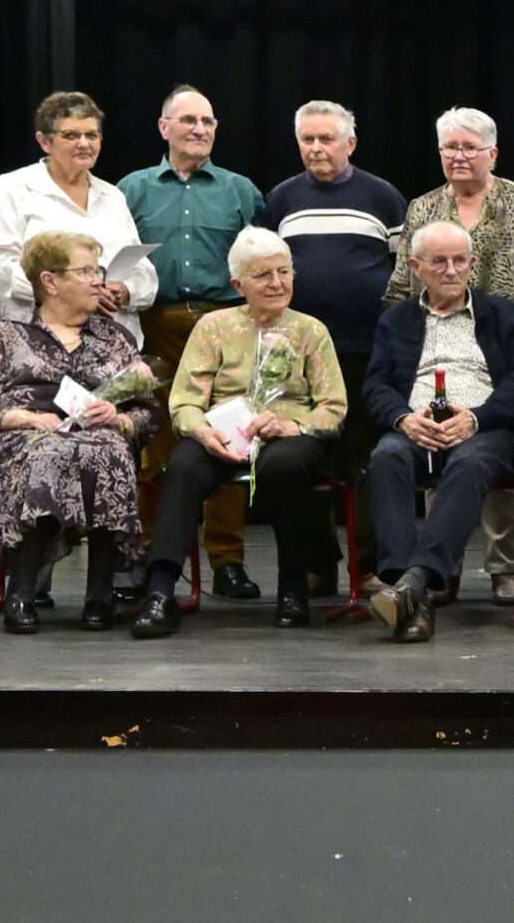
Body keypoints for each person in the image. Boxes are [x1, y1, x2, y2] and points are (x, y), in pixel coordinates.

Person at [131, 227, 348, 638]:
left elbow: (333, 408)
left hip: (288, 434)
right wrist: (201, 431)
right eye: (263, 275)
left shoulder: (311, 331)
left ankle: (293, 586)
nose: (277, 283)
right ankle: (159, 591)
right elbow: (185, 400)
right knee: (183, 466)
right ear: (238, 285)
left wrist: (293, 426)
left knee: (283, 466)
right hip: (224, 433)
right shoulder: (213, 327)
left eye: (284, 272)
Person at [383, 105, 514, 607]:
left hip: (507, 345)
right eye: (450, 147)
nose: (459, 156)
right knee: (438, 434)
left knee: (488, 448)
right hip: (434, 338)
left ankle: (505, 566)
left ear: (492, 153)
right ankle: (442, 568)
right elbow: (402, 280)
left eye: (469, 147)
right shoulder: (423, 208)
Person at [0, 229, 155, 635]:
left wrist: (118, 418)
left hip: (95, 433)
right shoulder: (7, 334)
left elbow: (147, 413)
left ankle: (100, 594)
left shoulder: (114, 337)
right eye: (86, 272)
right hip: (26, 437)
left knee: (109, 450)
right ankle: (22, 591)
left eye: (98, 271)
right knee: (49, 453)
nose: (97, 281)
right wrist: (25, 418)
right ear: (50, 281)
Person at [363, 221, 514, 644]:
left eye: (460, 260)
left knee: (470, 463)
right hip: (417, 427)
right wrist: (403, 418)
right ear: (416, 267)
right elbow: (376, 385)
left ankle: (411, 585)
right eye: (439, 262)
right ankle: (410, 588)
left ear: (472, 263)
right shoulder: (396, 320)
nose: (451, 270)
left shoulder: (503, 315)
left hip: (484, 429)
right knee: (386, 457)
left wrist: (477, 417)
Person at [119, 84, 265, 602]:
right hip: (155, 324)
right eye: (188, 120)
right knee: (153, 443)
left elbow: (259, 261)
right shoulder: (132, 190)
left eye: (207, 121)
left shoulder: (240, 191)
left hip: (225, 325)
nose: (199, 129)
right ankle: (154, 555)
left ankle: (227, 560)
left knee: (230, 439)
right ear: (164, 128)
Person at [260, 100, 407, 591]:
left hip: (367, 350)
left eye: (326, 139)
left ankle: (369, 568)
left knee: (364, 459)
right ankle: (318, 565)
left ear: (351, 143)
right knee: (303, 460)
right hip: (297, 355)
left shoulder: (383, 197)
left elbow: (403, 275)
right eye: (308, 139)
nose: (317, 148)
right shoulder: (281, 199)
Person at [0, 91, 159, 343]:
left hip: (115, 345)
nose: (84, 144)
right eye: (71, 135)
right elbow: (0, 267)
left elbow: (144, 272)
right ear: (44, 141)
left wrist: (125, 291)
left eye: (92, 135)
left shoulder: (113, 196)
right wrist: (71, 293)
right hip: (40, 344)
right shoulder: (13, 188)